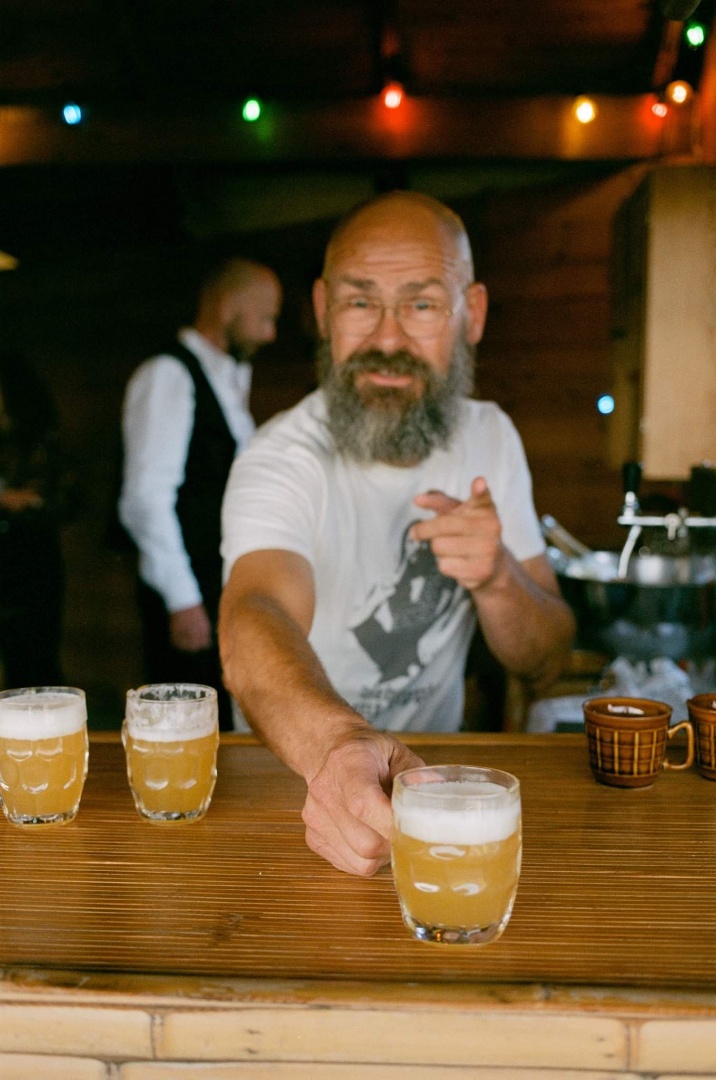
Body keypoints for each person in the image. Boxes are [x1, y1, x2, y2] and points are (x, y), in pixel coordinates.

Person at [218, 191, 575, 873]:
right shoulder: (279, 456)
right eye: (360, 302)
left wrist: (497, 578)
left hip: (441, 798)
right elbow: (253, 618)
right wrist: (340, 745)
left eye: (421, 305)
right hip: (285, 790)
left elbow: (548, 657)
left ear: (472, 314)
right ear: (324, 310)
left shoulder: (491, 438)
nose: (387, 340)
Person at [119, 256, 282, 729]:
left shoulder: (226, 376)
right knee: (184, 722)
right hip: (189, 586)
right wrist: (182, 599)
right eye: (265, 317)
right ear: (228, 306)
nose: (270, 333)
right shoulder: (168, 374)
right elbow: (144, 498)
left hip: (221, 581)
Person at [0, 349, 74, 688]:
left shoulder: (39, 440)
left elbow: (64, 499)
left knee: (33, 666)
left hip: (27, 562)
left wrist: (23, 503)